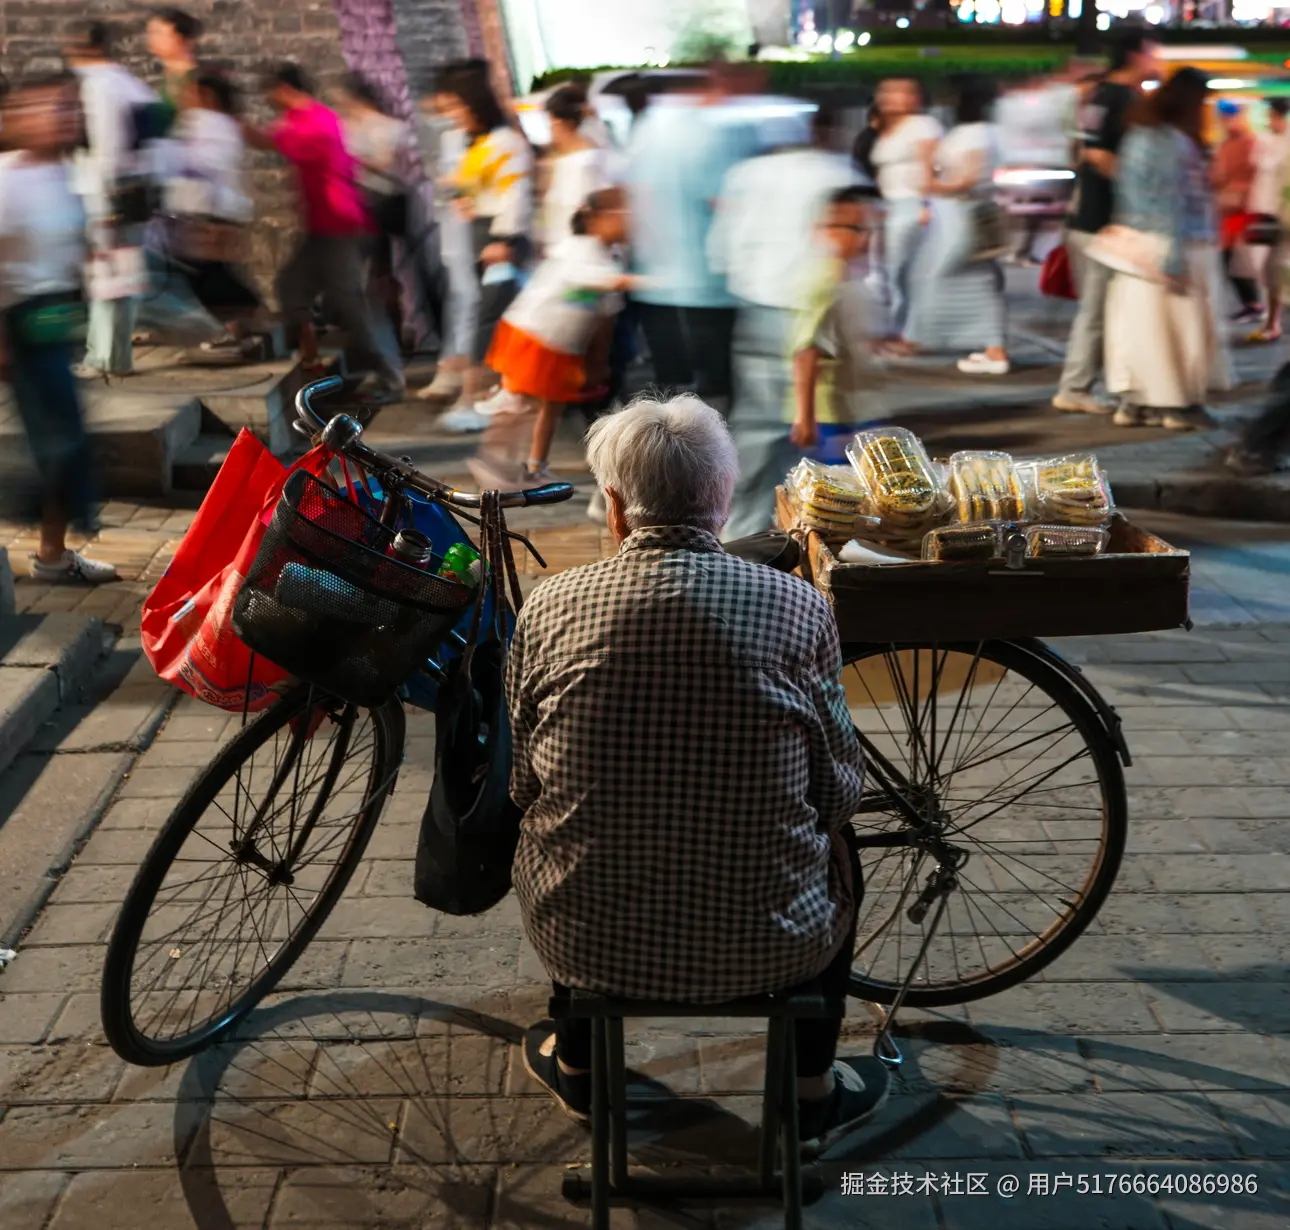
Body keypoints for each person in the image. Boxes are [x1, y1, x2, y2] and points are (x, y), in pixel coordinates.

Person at [506, 394, 889, 1153]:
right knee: (843, 849)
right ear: (723, 500)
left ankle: (580, 1066)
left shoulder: (549, 606)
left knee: (561, 830)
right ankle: (808, 1098)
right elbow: (838, 785)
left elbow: (524, 783)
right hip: (775, 943)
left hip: (586, 940)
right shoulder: (797, 606)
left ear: (613, 507)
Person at [706, 105, 861, 539]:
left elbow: (722, 248)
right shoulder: (837, 171)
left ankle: (742, 531)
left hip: (759, 307)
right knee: (813, 431)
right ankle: (806, 530)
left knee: (759, 430)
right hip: (812, 308)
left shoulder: (747, 174)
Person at [0, 74, 118, 583]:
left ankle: (52, 553)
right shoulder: (7, 180)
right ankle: (46, 545)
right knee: (62, 446)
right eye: (49, 107)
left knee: (63, 444)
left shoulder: (71, 175)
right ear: (17, 117)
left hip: (54, 322)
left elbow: (76, 249)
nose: (62, 116)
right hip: (19, 324)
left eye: (68, 108)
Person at [245, 63, 404, 405]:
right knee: (291, 287)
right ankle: (312, 366)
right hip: (322, 227)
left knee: (350, 305)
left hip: (342, 225)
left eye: (271, 92)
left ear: (285, 90)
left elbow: (264, 140)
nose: (269, 100)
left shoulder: (316, 121)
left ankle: (389, 377)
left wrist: (224, 119)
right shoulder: (305, 120)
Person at [465, 186, 633, 490]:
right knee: (522, 406)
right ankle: (493, 463)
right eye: (625, 214)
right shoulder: (580, 248)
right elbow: (596, 282)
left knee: (550, 407)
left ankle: (534, 468)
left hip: (558, 345)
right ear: (596, 219)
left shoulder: (606, 255)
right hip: (535, 337)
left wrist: (596, 360)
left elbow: (604, 316)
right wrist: (645, 281)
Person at [624, 64, 760, 403]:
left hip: (653, 274)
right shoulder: (712, 130)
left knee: (669, 378)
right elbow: (721, 200)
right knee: (716, 374)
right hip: (706, 274)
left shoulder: (646, 127)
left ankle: (669, 442)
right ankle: (711, 438)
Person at [1053, 29, 1160, 417]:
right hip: (1105, 221)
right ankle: (1076, 386)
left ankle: (1088, 385)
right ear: (1136, 55)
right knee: (1100, 310)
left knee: (1099, 309)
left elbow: (1086, 150)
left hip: (1090, 217)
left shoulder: (1100, 95)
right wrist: (1142, 195)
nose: (1157, 60)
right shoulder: (1120, 97)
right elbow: (1097, 155)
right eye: (1153, 53)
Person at [1104, 67, 1216, 433]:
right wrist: (1173, 254)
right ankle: (1176, 405)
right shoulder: (1172, 141)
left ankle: (1135, 403)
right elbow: (1173, 201)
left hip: (1135, 246)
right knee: (1180, 333)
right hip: (1174, 243)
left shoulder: (1137, 135)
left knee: (1138, 330)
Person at [434, 69, 535, 431]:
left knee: (488, 318)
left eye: (458, 106)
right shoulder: (478, 141)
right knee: (492, 316)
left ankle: (475, 398)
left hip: (499, 239)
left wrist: (504, 239)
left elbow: (516, 192)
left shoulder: (505, 141)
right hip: (484, 236)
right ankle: (492, 395)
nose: (452, 113)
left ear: (475, 105)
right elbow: (475, 184)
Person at [63, 20, 157, 379]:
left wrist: (104, 207)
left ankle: (108, 358)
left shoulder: (99, 87)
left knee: (109, 281)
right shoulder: (129, 83)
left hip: (109, 197)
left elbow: (107, 148)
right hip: (129, 193)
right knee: (114, 280)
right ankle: (107, 354)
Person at [906, 75, 1011, 376]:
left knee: (943, 276)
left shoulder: (972, 134)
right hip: (966, 217)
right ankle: (992, 347)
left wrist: (929, 181)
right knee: (977, 280)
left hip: (962, 218)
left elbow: (967, 180)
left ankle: (987, 347)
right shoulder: (987, 132)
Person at [786, 188, 883, 461]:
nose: (864, 237)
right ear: (823, 229)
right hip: (829, 415)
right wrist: (805, 417)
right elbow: (806, 352)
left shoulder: (847, 274)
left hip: (853, 406)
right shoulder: (824, 281)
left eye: (866, 227)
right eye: (854, 227)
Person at [413, 66, 482, 404]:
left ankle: (460, 378)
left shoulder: (482, 137)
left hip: (475, 230)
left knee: (469, 302)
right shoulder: (449, 135)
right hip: (455, 229)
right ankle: (453, 371)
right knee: (461, 299)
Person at [333, 73, 410, 348]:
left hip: (382, 202)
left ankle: (389, 335)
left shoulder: (387, 127)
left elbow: (385, 164)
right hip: (357, 203)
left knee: (378, 273)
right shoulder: (345, 126)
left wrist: (351, 159)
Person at [868, 76, 941, 352]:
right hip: (889, 206)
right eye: (885, 92)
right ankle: (900, 329)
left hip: (911, 204)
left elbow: (931, 166)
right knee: (890, 272)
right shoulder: (888, 128)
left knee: (905, 271)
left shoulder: (922, 126)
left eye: (900, 93)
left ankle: (912, 334)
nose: (890, 98)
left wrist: (926, 204)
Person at [540, 85, 615, 251]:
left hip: (579, 254)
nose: (550, 128)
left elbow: (581, 214)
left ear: (559, 122)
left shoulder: (584, 162)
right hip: (566, 252)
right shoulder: (569, 160)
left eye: (550, 121)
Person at [1245, 98, 1290, 343]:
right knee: (1268, 268)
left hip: (1282, 213)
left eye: (1272, 115)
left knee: (1275, 267)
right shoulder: (1265, 140)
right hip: (1265, 211)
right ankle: (1272, 321)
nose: (1269, 121)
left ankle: (1272, 322)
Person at [1213, 100, 1262, 325]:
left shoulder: (1250, 143)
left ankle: (1254, 304)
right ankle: (1250, 303)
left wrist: (1238, 191)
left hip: (1242, 210)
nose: (1226, 122)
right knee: (1230, 258)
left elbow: (1256, 175)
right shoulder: (1225, 144)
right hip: (1226, 210)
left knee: (1236, 258)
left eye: (1229, 117)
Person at [145, 7, 201, 135]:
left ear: (180, 37)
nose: (151, 39)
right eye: (150, 33)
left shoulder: (195, 80)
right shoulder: (168, 76)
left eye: (158, 32)